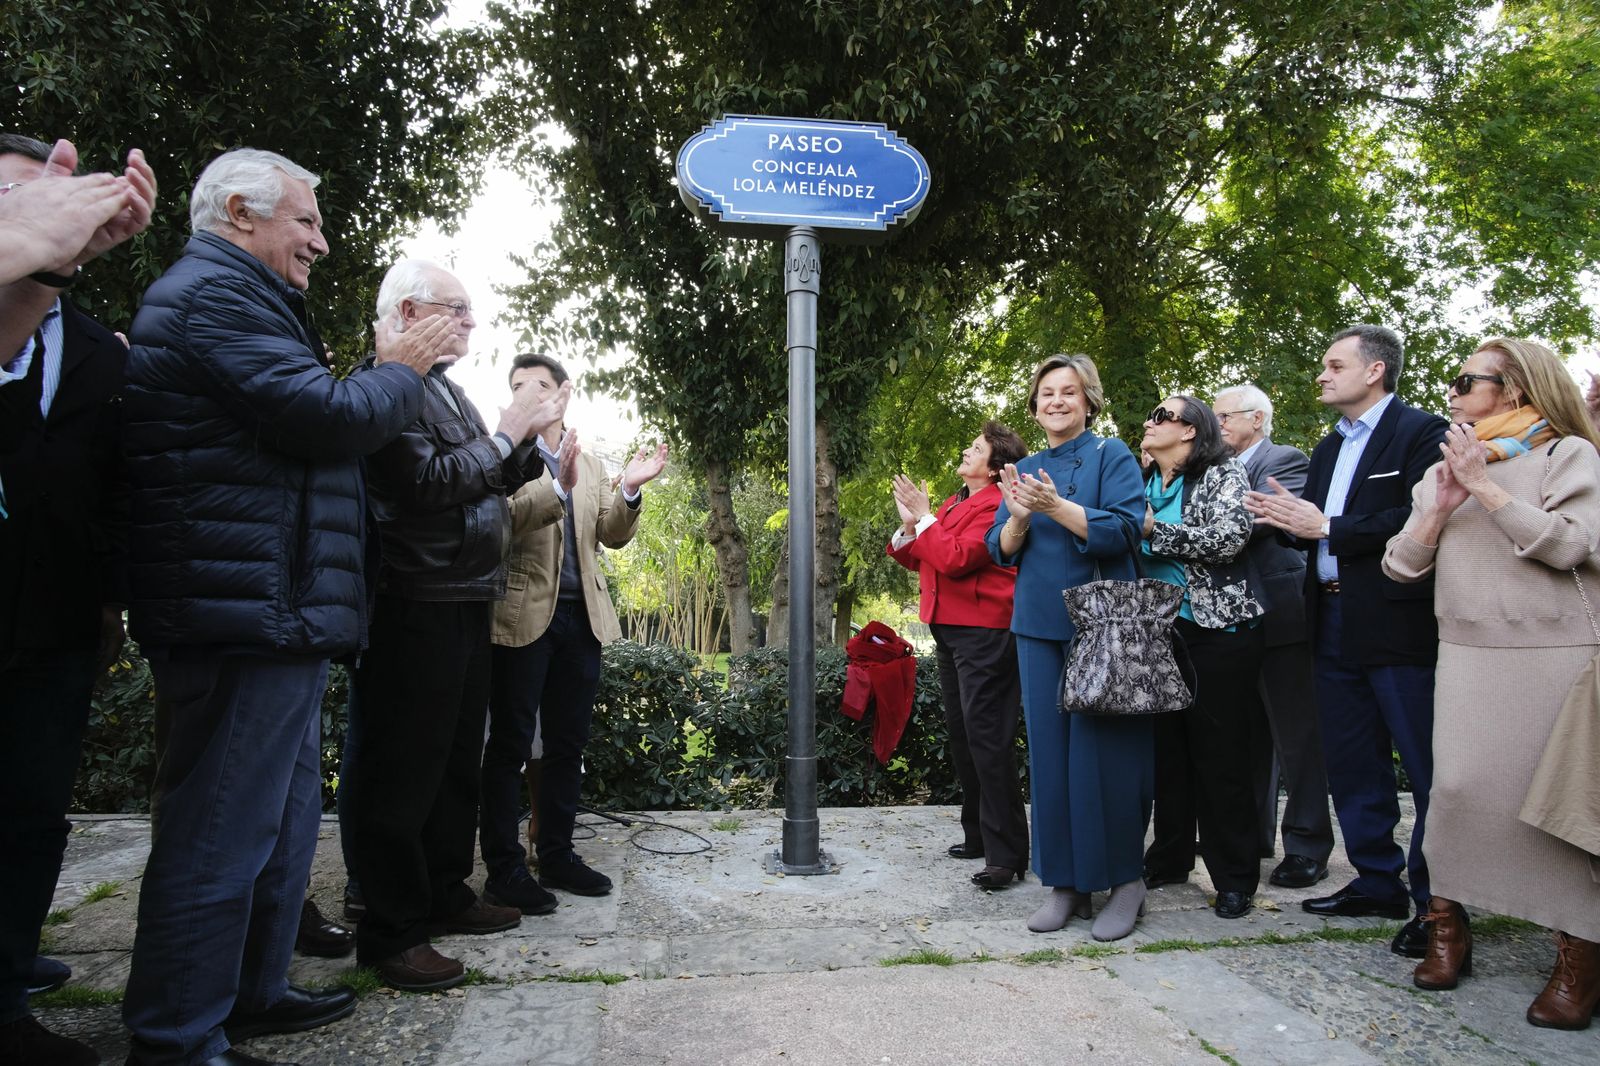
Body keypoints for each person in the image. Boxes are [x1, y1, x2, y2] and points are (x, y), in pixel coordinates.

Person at [120, 149, 448, 1066]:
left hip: (279, 608)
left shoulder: (248, 300)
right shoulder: (210, 297)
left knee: (273, 825)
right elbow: (326, 419)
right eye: (305, 221)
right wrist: (398, 370)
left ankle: (252, 991)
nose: (321, 240)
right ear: (240, 212)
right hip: (241, 611)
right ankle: (178, 1038)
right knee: (220, 832)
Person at [341, 262, 570, 992]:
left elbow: (487, 479)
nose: (473, 323)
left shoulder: (442, 388)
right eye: (457, 310)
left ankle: (445, 892)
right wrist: (505, 434)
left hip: (468, 593)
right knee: (402, 771)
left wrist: (527, 441)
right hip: (415, 598)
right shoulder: (384, 385)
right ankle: (392, 929)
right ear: (408, 310)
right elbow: (426, 485)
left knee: (453, 766)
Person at [1382, 337, 1600, 1028]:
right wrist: (1439, 506)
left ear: (1511, 388)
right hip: (1468, 650)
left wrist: (1484, 487)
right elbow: (1400, 566)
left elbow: (1571, 544)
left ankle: (1579, 957)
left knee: (1558, 811)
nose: (1450, 390)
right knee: (1457, 795)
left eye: (1464, 378)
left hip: (1554, 651)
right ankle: (1449, 927)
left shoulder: (1571, 453)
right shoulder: (1448, 464)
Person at [0, 132, 154, 1066]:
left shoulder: (103, 352)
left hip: (56, 622)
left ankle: (10, 981)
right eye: (16, 202)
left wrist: (115, 603)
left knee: (30, 810)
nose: (42, 212)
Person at [1246, 324, 1449, 960]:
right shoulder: (1330, 447)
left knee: (1422, 764)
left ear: (1375, 371)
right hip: (1326, 619)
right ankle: (1376, 881)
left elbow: (1417, 519)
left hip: (1396, 621)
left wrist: (1326, 525)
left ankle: (1436, 904)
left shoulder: (1424, 433)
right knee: (1352, 759)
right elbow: (1312, 531)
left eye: (1335, 365)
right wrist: (1282, 524)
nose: (1322, 375)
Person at [479, 353, 667, 910]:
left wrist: (630, 491)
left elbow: (609, 534)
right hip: (520, 616)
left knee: (567, 743)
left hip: (582, 617)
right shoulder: (502, 456)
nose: (526, 395)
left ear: (564, 394)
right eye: (516, 388)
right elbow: (501, 521)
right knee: (508, 743)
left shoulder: (589, 461)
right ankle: (503, 867)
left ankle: (556, 853)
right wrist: (554, 489)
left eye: (538, 385)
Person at [984, 353, 1149, 941]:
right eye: (1047, 393)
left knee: (1106, 757)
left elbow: (1126, 530)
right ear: (1035, 404)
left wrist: (1057, 507)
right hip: (1037, 625)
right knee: (1051, 758)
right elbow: (999, 547)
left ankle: (1126, 881)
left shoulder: (1113, 455)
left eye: (1069, 392)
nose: (1056, 401)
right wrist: (1021, 519)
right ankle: (1066, 884)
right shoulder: (1024, 465)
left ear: (1088, 401)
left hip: (1101, 627)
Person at [1138, 397, 1268, 919]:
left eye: (1161, 414)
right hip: (1156, 631)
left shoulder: (1223, 472)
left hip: (1218, 631)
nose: (1149, 420)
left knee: (1220, 756)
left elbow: (1229, 540)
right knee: (1166, 754)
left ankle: (1234, 876)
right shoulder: (1145, 478)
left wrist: (1153, 531)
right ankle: (1170, 858)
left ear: (1191, 431)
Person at [888, 421, 1030, 889]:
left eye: (976, 448)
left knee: (988, 739)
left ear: (995, 467)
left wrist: (927, 520)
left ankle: (1008, 854)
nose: (966, 452)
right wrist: (912, 526)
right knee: (964, 735)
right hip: (949, 630)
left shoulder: (997, 504)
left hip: (986, 632)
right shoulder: (954, 502)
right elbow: (923, 557)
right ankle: (979, 835)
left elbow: (955, 558)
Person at [1212, 384, 1334, 889]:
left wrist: (1200, 519)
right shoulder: (1215, 470)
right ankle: (1254, 837)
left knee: (1296, 738)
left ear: (1257, 419)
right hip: (1231, 620)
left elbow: (1256, 518)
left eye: (1224, 417)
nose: (1215, 426)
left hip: (1281, 616)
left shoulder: (1286, 460)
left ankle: (1307, 845)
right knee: (1245, 736)